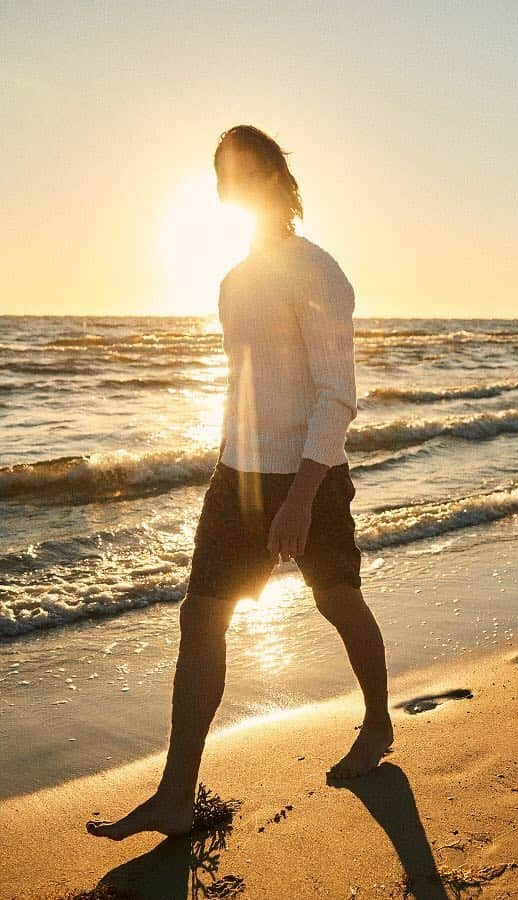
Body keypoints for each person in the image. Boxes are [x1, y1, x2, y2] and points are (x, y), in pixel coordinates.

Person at [87, 124, 393, 841]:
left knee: (339, 599)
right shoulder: (233, 279)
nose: (239, 187)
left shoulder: (317, 271)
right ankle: (174, 795)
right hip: (238, 477)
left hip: (307, 478)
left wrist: (300, 496)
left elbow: (336, 395)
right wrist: (229, 467)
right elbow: (246, 388)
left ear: (281, 183)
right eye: (227, 177)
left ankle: (378, 724)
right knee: (202, 616)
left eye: (252, 173)